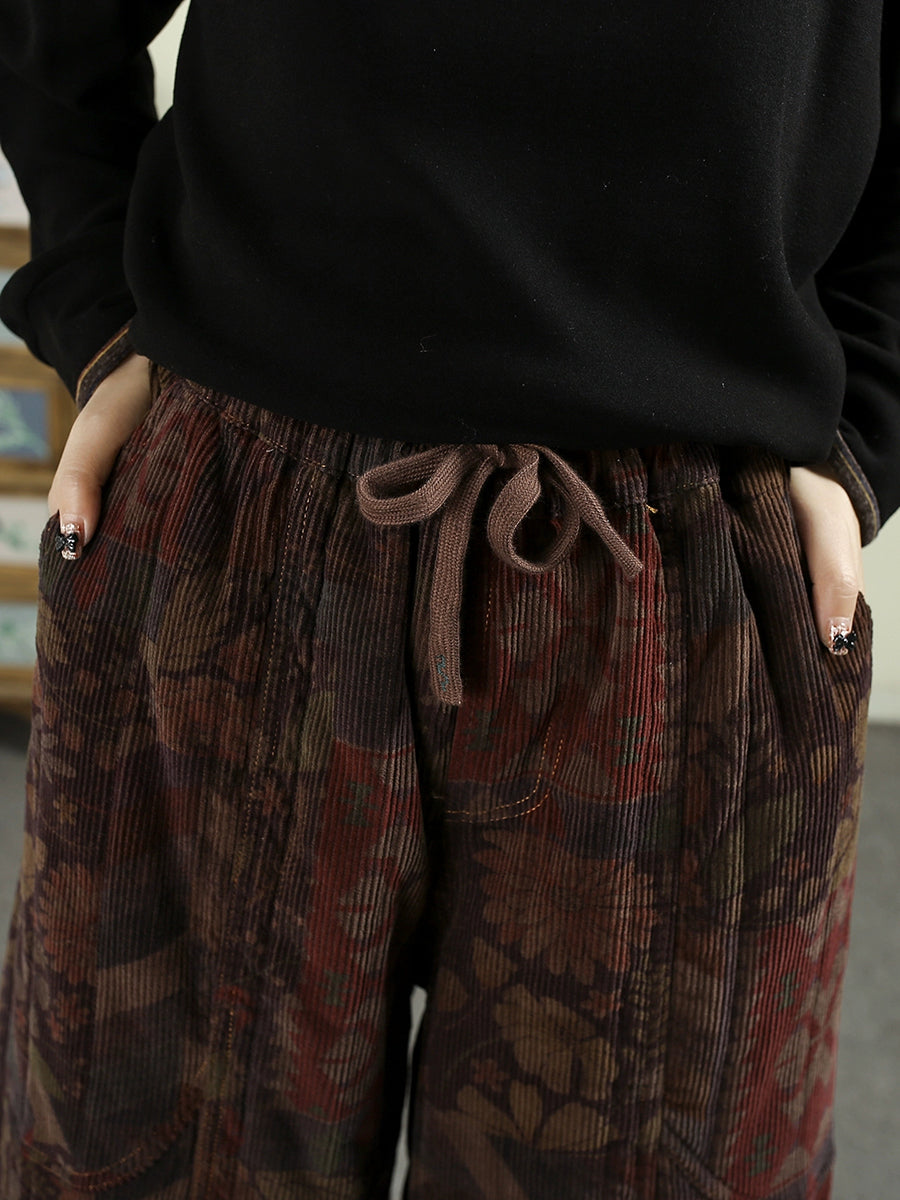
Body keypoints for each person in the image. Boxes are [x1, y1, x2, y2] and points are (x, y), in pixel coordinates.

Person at [0, 0, 894, 1195]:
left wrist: (863, 428)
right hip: (238, 534)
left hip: (681, 589)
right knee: (157, 1162)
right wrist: (95, 303)